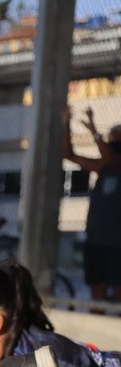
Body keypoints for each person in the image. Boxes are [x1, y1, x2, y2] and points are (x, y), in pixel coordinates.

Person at [63, 106, 121, 303]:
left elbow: (112, 159)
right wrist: (66, 123)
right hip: (97, 239)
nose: (112, 140)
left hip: (118, 242)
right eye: (112, 136)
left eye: (116, 137)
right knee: (96, 290)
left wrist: (93, 130)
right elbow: (68, 155)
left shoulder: (112, 162)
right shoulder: (102, 166)